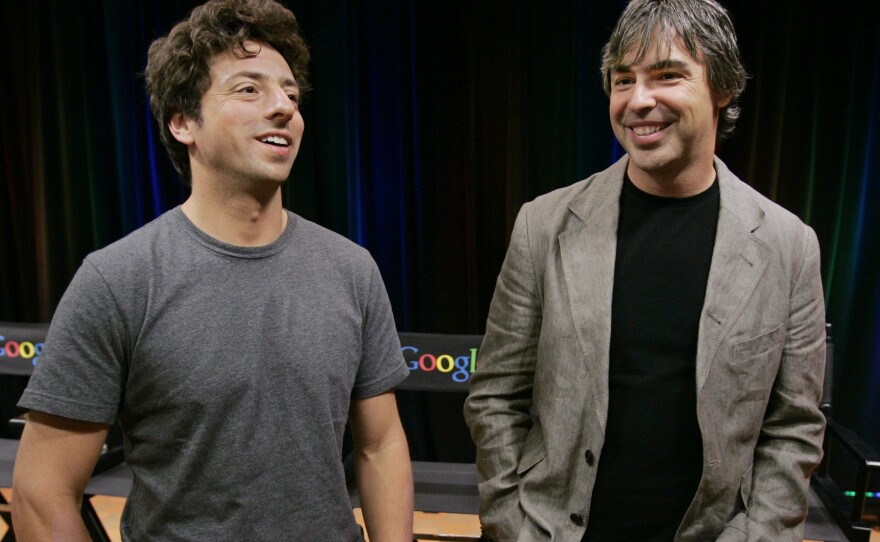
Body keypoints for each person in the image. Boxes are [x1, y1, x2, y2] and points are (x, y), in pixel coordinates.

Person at [11, 1, 413, 540]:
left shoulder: (352, 270)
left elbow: (380, 444)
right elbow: (42, 495)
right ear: (183, 122)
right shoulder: (117, 281)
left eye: (291, 94)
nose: (284, 108)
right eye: (249, 89)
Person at [463, 0, 826, 540]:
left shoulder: (788, 246)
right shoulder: (543, 225)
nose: (638, 100)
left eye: (667, 76)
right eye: (623, 80)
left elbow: (793, 428)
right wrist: (511, 522)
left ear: (723, 88)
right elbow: (494, 395)